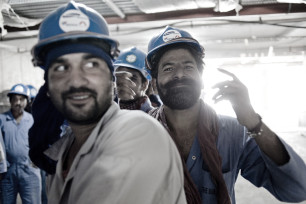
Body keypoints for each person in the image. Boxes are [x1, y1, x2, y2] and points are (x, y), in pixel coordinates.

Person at [29, 2, 186, 204]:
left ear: (111, 79)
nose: (76, 80)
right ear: (48, 87)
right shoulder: (65, 147)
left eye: (91, 64)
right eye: (61, 68)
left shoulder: (138, 132)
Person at [145, 26, 306, 204]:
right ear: (153, 83)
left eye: (188, 66)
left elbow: (296, 190)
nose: (180, 74)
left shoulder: (233, 132)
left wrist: (252, 121)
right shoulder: (140, 132)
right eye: (168, 69)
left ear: (201, 77)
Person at [0, 83, 41, 204]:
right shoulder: (1, 119)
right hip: (8, 172)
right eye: (15, 99)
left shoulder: (33, 120)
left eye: (21, 99)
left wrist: (36, 163)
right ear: (10, 101)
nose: (18, 102)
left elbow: (40, 143)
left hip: (29, 171)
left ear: (27, 102)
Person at [114, 47, 153, 112]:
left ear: (145, 84)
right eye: (120, 77)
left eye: (132, 78)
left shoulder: (155, 118)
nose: (125, 82)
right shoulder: (106, 115)